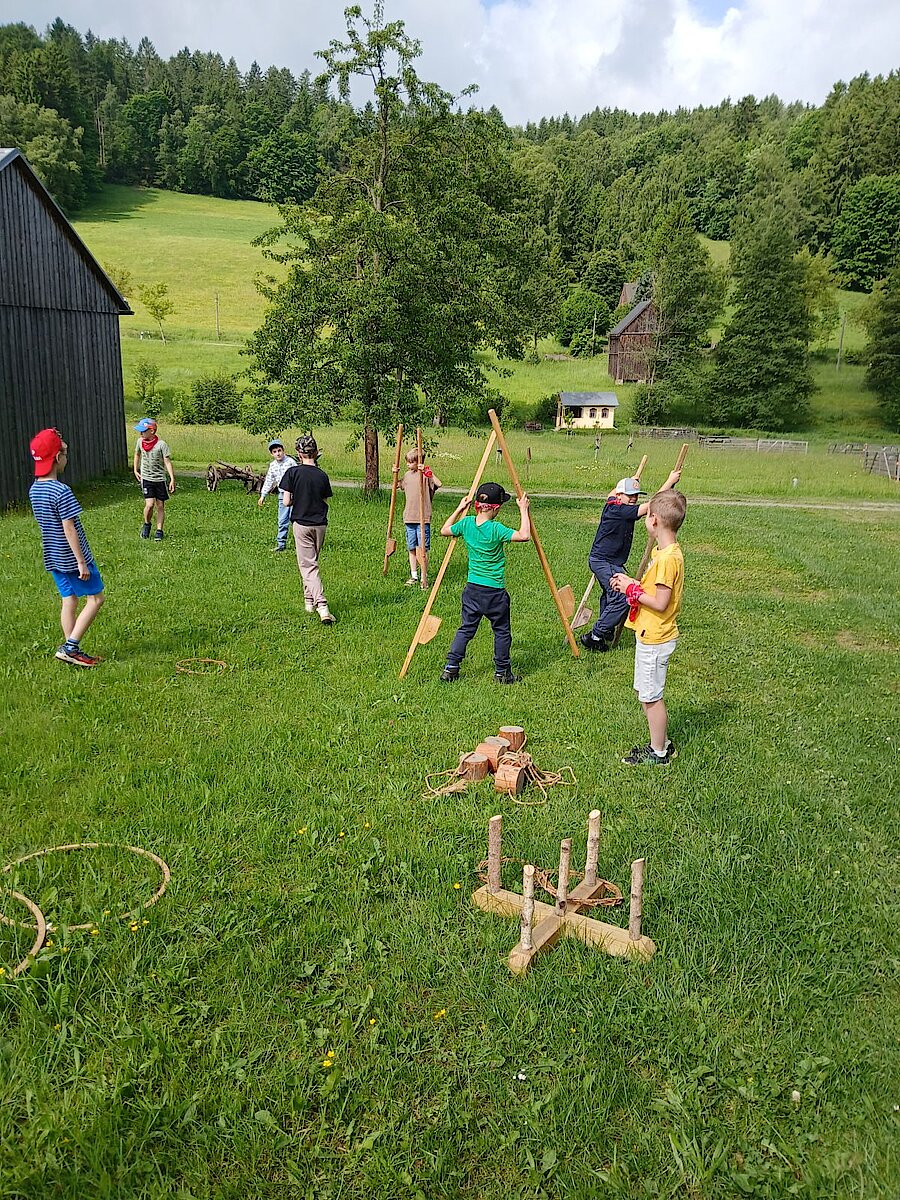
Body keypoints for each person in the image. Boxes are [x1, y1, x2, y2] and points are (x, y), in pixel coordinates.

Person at [610, 489, 686, 766]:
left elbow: (661, 603)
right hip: (649, 633)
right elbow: (653, 590)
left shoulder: (667, 560)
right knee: (647, 694)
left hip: (656, 637)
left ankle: (659, 752)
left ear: (654, 520)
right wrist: (632, 584)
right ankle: (661, 742)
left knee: (652, 697)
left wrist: (632, 590)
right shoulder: (664, 552)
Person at [579, 468, 681, 653]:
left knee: (610, 594)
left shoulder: (613, 500)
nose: (633, 499)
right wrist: (669, 481)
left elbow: (612, 492)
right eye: (629, 495)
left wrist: (631, 481)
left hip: (610, 561)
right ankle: (595, 636)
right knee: (622, 596)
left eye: (636, 495)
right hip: (603, 561)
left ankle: (606, 629)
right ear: (619, 496)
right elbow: (653, 506)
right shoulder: (619, 510)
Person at [438, 482, 531, 684]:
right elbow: (524, 535)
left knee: (466, 629)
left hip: (472, 589)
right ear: (496, 508)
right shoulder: (496, 529)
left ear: (477, 506)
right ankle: (502, 672)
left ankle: (451, 668)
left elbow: (444, 530)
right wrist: (523, 510)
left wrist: (459, 508)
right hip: (494, 592)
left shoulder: (466, 523)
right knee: (501, 631)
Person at [28, 428, 105, 668]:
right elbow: (69, 528)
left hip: (52, 556)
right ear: (57, 458)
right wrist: (81, 562)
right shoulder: (61, 491)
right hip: (71, 558)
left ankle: (71, 650)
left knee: (69, 600)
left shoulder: (34, 489)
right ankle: (70, 647)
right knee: (96, 598)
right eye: (65, 453)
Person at [280, 435, 334, 624]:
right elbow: (325, 500)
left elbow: (286, 502)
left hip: (302, 524)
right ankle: (308, 602)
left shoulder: (292, 473)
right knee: (311, 564)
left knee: (308, 567)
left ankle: (322, 606)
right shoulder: (322, 475)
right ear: (316, 452)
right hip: (320, 525)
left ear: (298, 453)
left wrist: (298, 499)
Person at [396, 448, 442, 585]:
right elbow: (397, 485)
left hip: (423, 518)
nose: (408, 464)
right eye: (407, 462)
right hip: (409, 517)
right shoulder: (407, 475)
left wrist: (428, 471)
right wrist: (395, 473)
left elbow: (439, 484)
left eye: (411, 462)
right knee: (411, 548)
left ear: (418, 462)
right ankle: (414, 575)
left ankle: (423, 576)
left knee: (422, 549)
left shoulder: (425, 476)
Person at [133, 418, 175, 540]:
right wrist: (135, 469)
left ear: (152, 431)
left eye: (143, 431)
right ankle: (147, 524)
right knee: (150, 505)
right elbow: (137, 454)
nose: (141, 433)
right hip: (147, 479)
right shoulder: (140, 442)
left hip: (159, 479)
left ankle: (159, 531)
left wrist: (172, 479)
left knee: (160, 505)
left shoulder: (161, 445)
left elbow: (167, 462)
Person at [257, 439, 297, 551]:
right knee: (282, 520)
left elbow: (298, 476)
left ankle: (300, 544)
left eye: (279, 450)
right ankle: (281, 544)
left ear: (283, 451)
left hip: (294, 494)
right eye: (275, 452)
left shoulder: (290, 462)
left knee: (296, 519)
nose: (278, 453)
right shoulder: (273, 465)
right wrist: (263, 495)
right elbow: (269, 480)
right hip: (283, 495)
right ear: (272, 454)